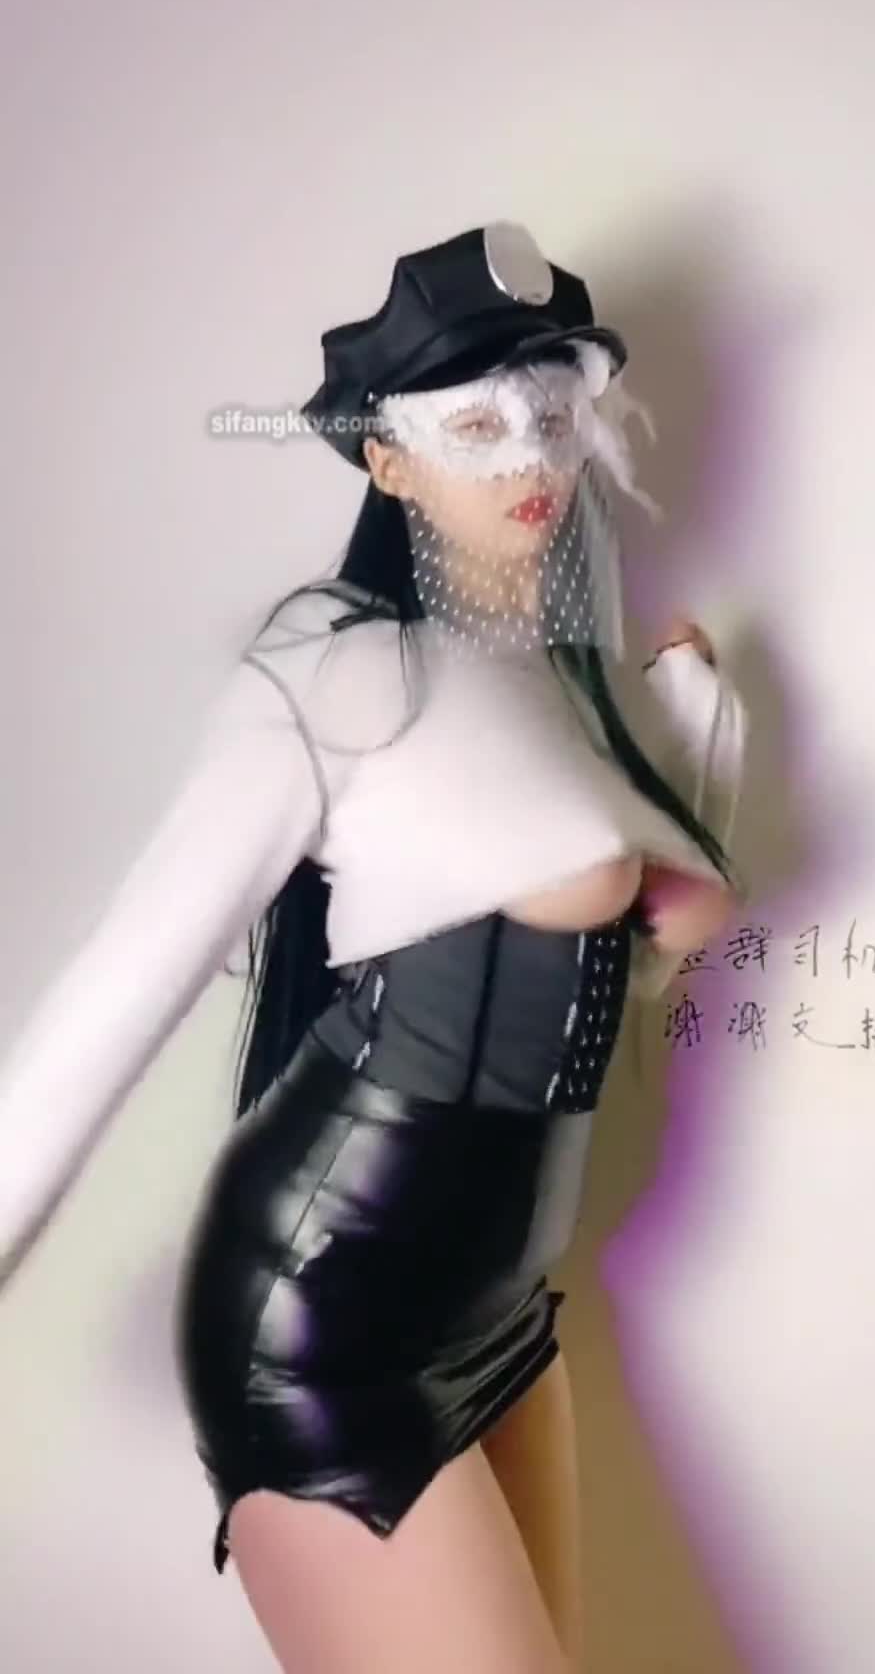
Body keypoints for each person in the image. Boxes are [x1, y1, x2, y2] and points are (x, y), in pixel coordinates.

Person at [0, 221, 749, 1674]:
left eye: (552, 415)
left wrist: (696, 740)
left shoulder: (564, 687)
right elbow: (115, 997)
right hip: (325, 1334)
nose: (529, 457)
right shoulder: (337, 667)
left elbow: (620, 963)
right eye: (475, 426)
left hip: (500, 1316)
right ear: (389, 461)